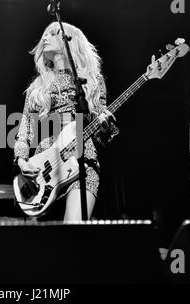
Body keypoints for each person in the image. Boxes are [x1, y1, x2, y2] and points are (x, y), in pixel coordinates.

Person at [14, 22, 118, 222]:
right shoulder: (38, 86)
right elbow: (25, 128)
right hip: (43, 172)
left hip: (82, 164)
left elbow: (102, 137)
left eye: (53, 34)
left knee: (73, 236)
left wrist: (104, 125)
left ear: (70, 41)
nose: (45, 38)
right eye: (45, 34)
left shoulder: (92, 80)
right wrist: (21, 160)